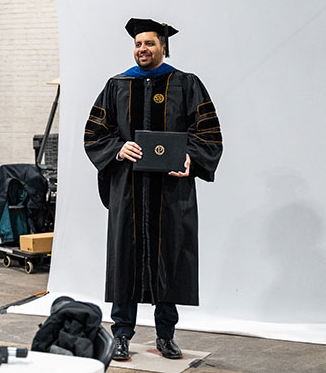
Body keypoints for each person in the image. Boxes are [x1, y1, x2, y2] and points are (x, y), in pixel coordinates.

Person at [84, 18, 223, 361]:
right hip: (129, 190)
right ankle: (121, 335)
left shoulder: (187, 85)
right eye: (138, 44)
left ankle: (166, 336)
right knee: (125, 261)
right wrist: (118, 148)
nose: (142, 49)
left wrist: (191, 156)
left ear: (164, 47)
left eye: (149, 43)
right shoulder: (117, 85)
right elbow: (95, 134)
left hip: (170, 192)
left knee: (169, 259)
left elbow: (208, 133)